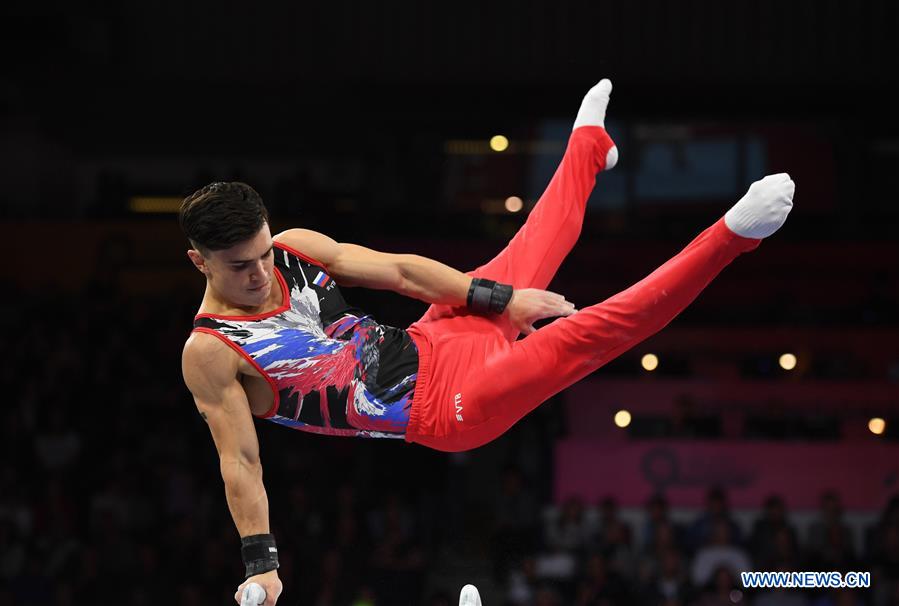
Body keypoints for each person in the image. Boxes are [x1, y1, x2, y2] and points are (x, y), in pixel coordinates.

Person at [179, 78, 795, 604]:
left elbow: (400, 272)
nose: (261, 273)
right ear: (199, 261)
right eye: (240, 266)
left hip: (430, 339)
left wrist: (496, 299)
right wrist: (261, 561)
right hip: (447, 410)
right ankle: (733, 237)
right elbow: (240, 461)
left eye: (263, 253)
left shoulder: (293, 247)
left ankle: (588, 148)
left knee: (527, 250)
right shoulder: (211, 350)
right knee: (586, 334)